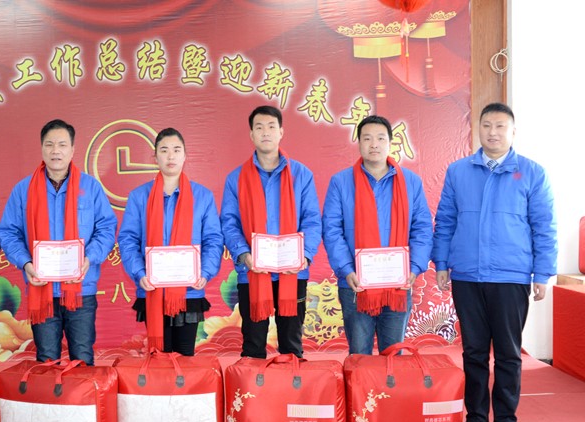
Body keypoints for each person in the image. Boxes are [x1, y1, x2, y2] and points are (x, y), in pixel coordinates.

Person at [432, 102, 557, 422]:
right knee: (473, 351)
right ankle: (475, 418)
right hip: (467, 276)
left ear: (513, 131)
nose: (493, 132)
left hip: (511, 275)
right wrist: (441, 263)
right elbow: (445, 220)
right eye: (486, 125)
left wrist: (543, 273)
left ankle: (505, 420)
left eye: (500, 126)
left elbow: (544, 226)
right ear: (478, 129)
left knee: (508, 352)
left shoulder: (532, 173)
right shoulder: (458, 171)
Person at [0, 119, 117, 365]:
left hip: (81, 290)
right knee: (46, 361)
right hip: (41, 290)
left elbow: (106, 229)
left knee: (82, 359)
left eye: (62, 145)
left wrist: (89, 259)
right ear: (42, 148)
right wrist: (26, 263)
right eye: (49, 144)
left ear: (72, 150)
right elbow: (8, 232)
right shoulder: (23, 189)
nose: (55, 151)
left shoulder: (90, 188)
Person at [322, 115, 433, 355]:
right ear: (359, 143)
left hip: (398, 284)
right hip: (355, 284)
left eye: (381, 138)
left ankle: (390, 384)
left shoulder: (410, 182)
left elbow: (422, 228)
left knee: (393, 355)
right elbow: (331, 230)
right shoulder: (341, 182)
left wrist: (414, 268)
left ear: (390, 143)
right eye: (367, 138)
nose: (374, 144)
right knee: (359, 356)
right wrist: (346, 270)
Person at [220, 105, 322, 359]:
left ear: (281, 132)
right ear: (251, 135)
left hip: (292, 272)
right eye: (259, 127)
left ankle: (291, 384)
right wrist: (244, 254)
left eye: (271, 127)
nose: (265, 132)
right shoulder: (236, 178)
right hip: (252, 272)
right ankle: (254, 386)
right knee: (253, 346)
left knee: (291, 345)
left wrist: (305, 255)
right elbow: (229, 223)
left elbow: (312, 220)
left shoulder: (301, 175)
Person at [117, 128, 223, 355]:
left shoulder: (202, 196)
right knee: (159, 359)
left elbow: (213, 239)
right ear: (155, 157)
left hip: (188, 291)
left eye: (176, 150)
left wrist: (204, 272)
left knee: (185, 358)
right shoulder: (139, 196)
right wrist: (140, 273)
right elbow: (128, 239)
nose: (171, 156)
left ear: (185, 156)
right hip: (153, 289)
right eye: (164, 150)